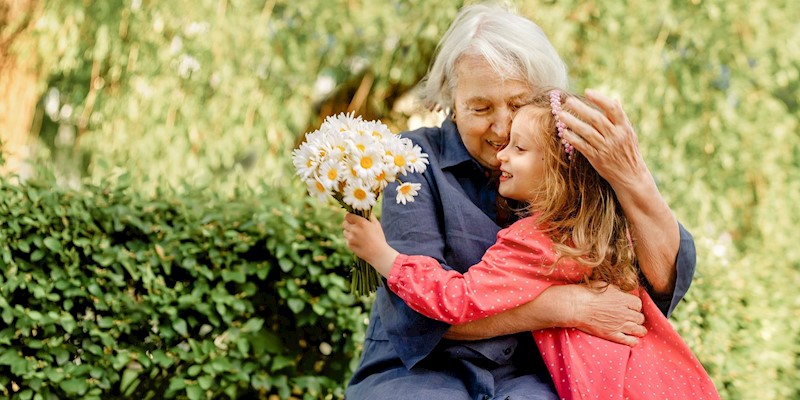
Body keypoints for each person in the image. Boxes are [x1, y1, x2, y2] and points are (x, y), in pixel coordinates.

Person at [344, 4, 697, 399]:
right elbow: (423, 309)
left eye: (516, 105)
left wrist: (633, 179)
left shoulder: (570, 162)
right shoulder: (411, 158)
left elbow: (661, 280)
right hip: (421, 369)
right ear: (450, 100)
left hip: (534, 372)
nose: (500, 127)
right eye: (479, 108)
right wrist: (563, 306)